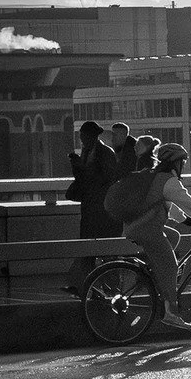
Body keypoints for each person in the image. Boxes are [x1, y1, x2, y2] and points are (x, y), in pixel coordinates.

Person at [120, 137, 191, 330]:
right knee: (171, 266)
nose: (183, 165)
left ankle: (155, 273)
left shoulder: (156, 178)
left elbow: (172, 209)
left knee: (174, 236)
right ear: (174, 162)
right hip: (146, 229)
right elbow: (188, 202)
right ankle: (171, 312)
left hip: (138, 225)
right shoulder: (169, 181)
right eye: (182, 162)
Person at [63, 119, 120, 298]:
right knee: (87, 250)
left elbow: (106, 179)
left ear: (91, 136)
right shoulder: (88, 152)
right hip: (90, 210)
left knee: (106, 252)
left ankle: (111, 289)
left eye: (83, 136)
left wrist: (82, 169)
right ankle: (85, 287)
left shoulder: (105, 153)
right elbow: (86, 179)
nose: (81, 140)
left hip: (103, 212)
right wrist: (78, 167)